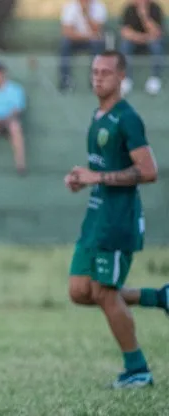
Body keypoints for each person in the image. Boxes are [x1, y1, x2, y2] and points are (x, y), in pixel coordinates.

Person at [64, 50, 168, 389]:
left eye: (105, 73)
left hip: (118, 220)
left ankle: (137, 369)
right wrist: (83, 179)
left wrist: (98, 178)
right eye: (94, 71)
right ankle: (160, 297)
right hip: (95, 216)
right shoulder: (98, 114)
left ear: (120, 77)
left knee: (105, 292)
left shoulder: (127, 118)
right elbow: (102, 167)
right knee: (80, 291)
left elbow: (149, 172)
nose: (97, 78)